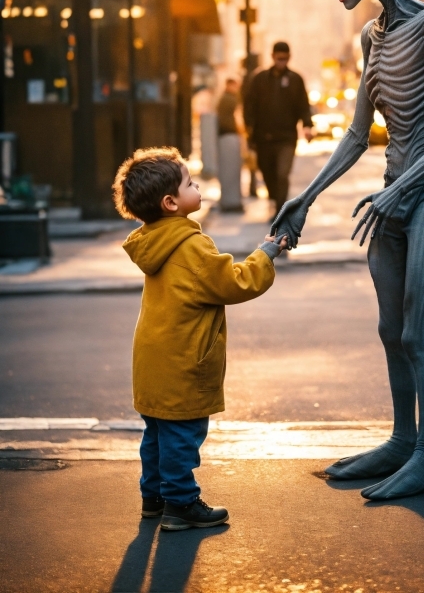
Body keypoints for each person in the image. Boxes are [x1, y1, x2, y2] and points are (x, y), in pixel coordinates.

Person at [273, 0, 424, 500]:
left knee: (415, 334)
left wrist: (404, 190)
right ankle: (401, 442)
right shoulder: (372, 38)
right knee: (390, 333)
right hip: (388, 198)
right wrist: (302, 199)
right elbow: (358, 135)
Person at [112, 146, 287, 530]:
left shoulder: (152, 241)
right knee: (182, 437)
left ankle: (153, 498)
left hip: (153, 359)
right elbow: (235, 282)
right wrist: (266, 253)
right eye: (191, 183)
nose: (199, 187)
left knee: (157, 435)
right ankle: (181, 504)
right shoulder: (191, 246)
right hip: (183, 361)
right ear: (171, 202)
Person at [244, 41, 314, 217]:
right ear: (273, 57)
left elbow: (303, 106)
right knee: (267, 172)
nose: (281, 61)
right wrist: (250, 128)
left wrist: (307, 125)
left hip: (286, 138)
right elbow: (249, 105)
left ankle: (280, 210)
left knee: (282, 174)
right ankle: (275, 199)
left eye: (285, 58)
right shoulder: (259, 80)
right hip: (263, 138)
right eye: (279, 58)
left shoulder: (295, 80)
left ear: (289, 58)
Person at [216, 78, 243, 212]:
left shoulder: (224, 98)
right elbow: (237, 117)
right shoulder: (231, 99)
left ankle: (229, 200)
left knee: (228, 170)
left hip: (225, 136)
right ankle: (232, 202)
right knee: (231, 169)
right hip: (229, 135)